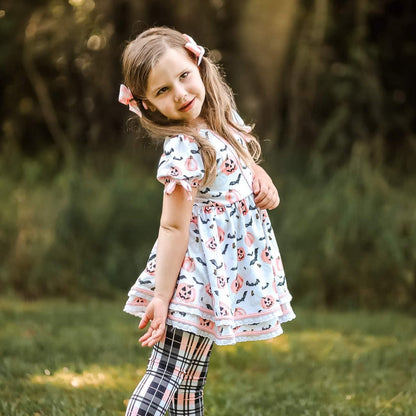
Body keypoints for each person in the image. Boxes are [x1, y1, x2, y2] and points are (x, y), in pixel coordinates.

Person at [119, 27, 296, 416]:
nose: (180, 94)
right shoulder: (184, 146)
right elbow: (173, 227)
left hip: (216, 279)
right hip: (193, 279)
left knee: (189, 383)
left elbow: (244, 163)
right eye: (162, 91)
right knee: (167, 376)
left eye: (183, 76)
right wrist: (162, 297)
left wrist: (261, 179)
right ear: (147, 105)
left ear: (197, 64)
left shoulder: (218, 121)